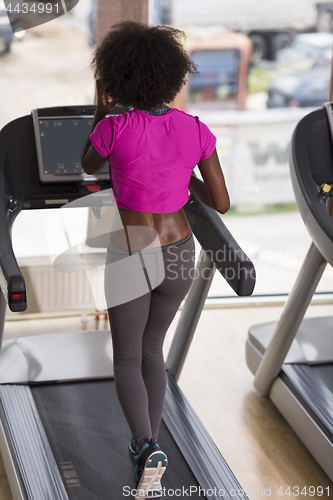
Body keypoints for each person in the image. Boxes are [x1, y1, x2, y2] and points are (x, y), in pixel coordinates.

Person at [81, 20, 230, 499]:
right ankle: (154, 448)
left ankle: (146, 446)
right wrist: (184, 182)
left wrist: (101, 110)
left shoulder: (113, 128)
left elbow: (87, 164)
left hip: (134, 251)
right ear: (173, 76)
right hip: (181, 251)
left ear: (117, 78)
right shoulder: (194, 128)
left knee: (126, 355)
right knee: (153, 351)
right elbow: (221, 202)